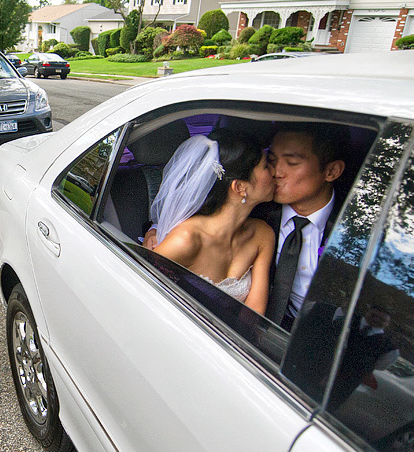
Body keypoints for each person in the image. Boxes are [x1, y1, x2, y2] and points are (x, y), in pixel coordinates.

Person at [142, 129, 276, 314]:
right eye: (267, 167)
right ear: (240, 187)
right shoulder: (186, 239)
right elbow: (142, 295)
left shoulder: (262, 235)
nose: (275, 172)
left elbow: (254, 313)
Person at [263, 124, 347, 329]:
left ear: (331, 171)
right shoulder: (259, 215)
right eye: (272, 161)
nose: (277, 172)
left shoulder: (353, 228)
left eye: (291, 162)